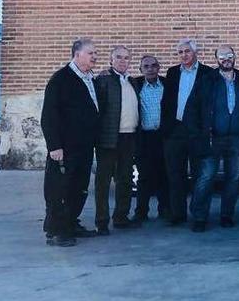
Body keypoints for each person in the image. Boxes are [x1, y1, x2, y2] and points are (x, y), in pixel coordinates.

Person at [41, 39, 101, 247]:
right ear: (77, 54)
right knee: (60, 189)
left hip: (84, 147)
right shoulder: (61, 79)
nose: (95, 56)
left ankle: (71, 223)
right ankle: (56, 231)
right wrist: (54, 146)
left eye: (95, 53)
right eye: (90, 53)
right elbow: (49, 115)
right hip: (64, 148)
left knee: (79, 188)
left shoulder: (89, 78)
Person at [189, 46, 239, 232]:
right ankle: (199, 216)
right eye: (222, 56)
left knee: (233, 178)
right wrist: (199, 134)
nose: (226, 59)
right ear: (217, 59)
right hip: (212, 138)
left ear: (235, 57)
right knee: (206, 177)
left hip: (237, 138)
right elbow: (192, 109)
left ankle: (226, 215)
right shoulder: (207, 81)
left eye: (229, 56)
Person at [162, 39, 213, 225]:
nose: (184, 55)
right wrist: (166, 128)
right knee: (175, 174)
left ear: (195, 53)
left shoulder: (207, 73)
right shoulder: (172, 73)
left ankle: (199, 215)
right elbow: (166, 102)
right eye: (180, 52)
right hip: (175, 130)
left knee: (200, 176)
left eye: (187, 51)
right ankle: (178, 214)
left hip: (197, 131)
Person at [93, 46, 141, 234]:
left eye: (126, 58)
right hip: (109, 138)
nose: (123, 61)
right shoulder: (104, 80)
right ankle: (102, 221)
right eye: (119, 57)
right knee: (103, 182)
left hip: (129, 137)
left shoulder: (131, 81)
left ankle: (121, 217)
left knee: (125, 179)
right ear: (111, 60)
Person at [132, 55, 169, 222]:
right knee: (144, 177)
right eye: (146, 66)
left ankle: (165, 210)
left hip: (164, 137)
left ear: (159, 67)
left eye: (154, 65)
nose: (150, 69)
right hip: (144, 138)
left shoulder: (168, 85)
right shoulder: (135, 85)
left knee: (164, 175)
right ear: (141, 69)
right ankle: (141, 212)